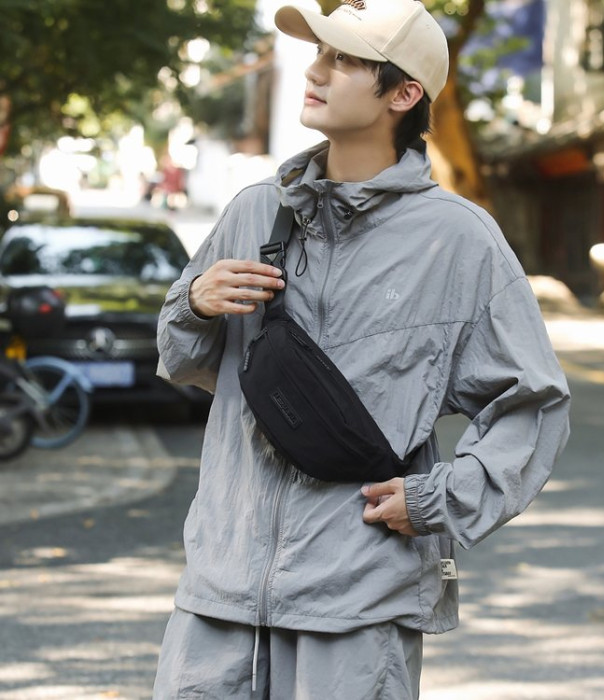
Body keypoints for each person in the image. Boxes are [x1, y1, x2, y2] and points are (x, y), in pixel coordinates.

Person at [153, 0, 571, 697]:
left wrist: (440, 500)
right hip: (219, 594)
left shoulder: (458, 240)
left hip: (357, 604)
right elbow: (187, 364)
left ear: (403, 94)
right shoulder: (255, 210)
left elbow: (533, 403)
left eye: (344, 59)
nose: (315, 71)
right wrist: (194, 304)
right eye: (320, 53)